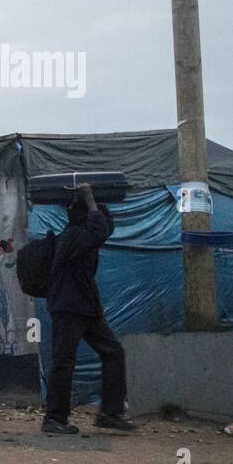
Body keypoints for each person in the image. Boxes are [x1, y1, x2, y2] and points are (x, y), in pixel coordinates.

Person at [43, 182, 135, 434]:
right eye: (94, 210)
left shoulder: (82, 234)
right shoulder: (73, 234)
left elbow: (104, 228)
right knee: (64, 361)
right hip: (69, 307)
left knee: (113, 353)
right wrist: (90, 199)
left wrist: (97, 202)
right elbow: (99, 230)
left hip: (85, 307)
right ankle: (54, 419)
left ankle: (110, 413)